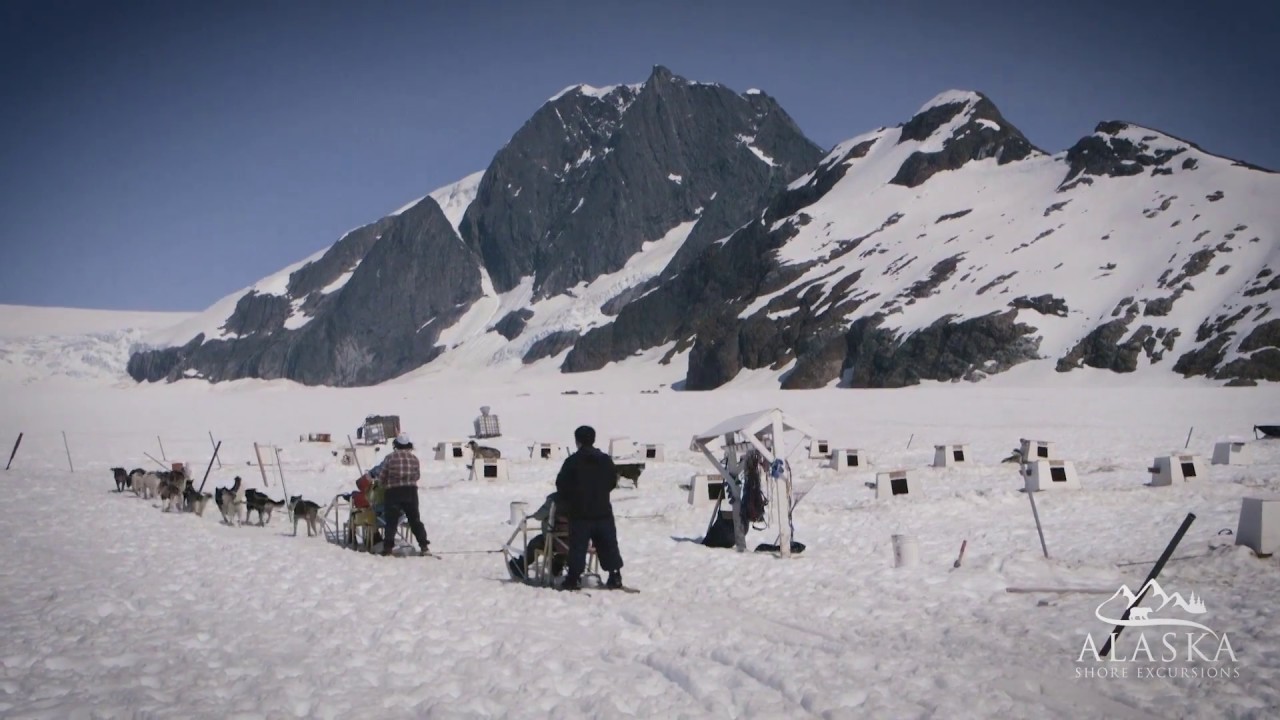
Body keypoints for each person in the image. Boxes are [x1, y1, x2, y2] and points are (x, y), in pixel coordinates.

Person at [555, 425, 624, 590]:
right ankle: (615, 576)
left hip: (580, 514)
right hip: (602, 511)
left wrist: (571, 499)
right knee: (608, 544)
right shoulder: (605, 459)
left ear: (577, 441)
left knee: (578, 547)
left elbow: (561, 485)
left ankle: (573, 579)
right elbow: (612, 482)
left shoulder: (571, 462)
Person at [368, 433, 430, 556]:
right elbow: (417, 476)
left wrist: (385, 483)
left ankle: (388, 548)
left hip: (393, 492)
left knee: (391, 521)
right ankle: (424, 546)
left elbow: (382, 476)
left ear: (396, 445)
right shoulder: (414, 459)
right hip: (411, 492)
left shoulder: (390, 458)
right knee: (414, 520)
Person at [507, 491, 570, 581]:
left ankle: (521, 565)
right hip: (576, 541)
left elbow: (540, 515)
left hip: (554, 541)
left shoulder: (554, 499)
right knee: (564, 545)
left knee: (535, 544)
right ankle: (558, 564)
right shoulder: (582, 498)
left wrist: (534, 515)